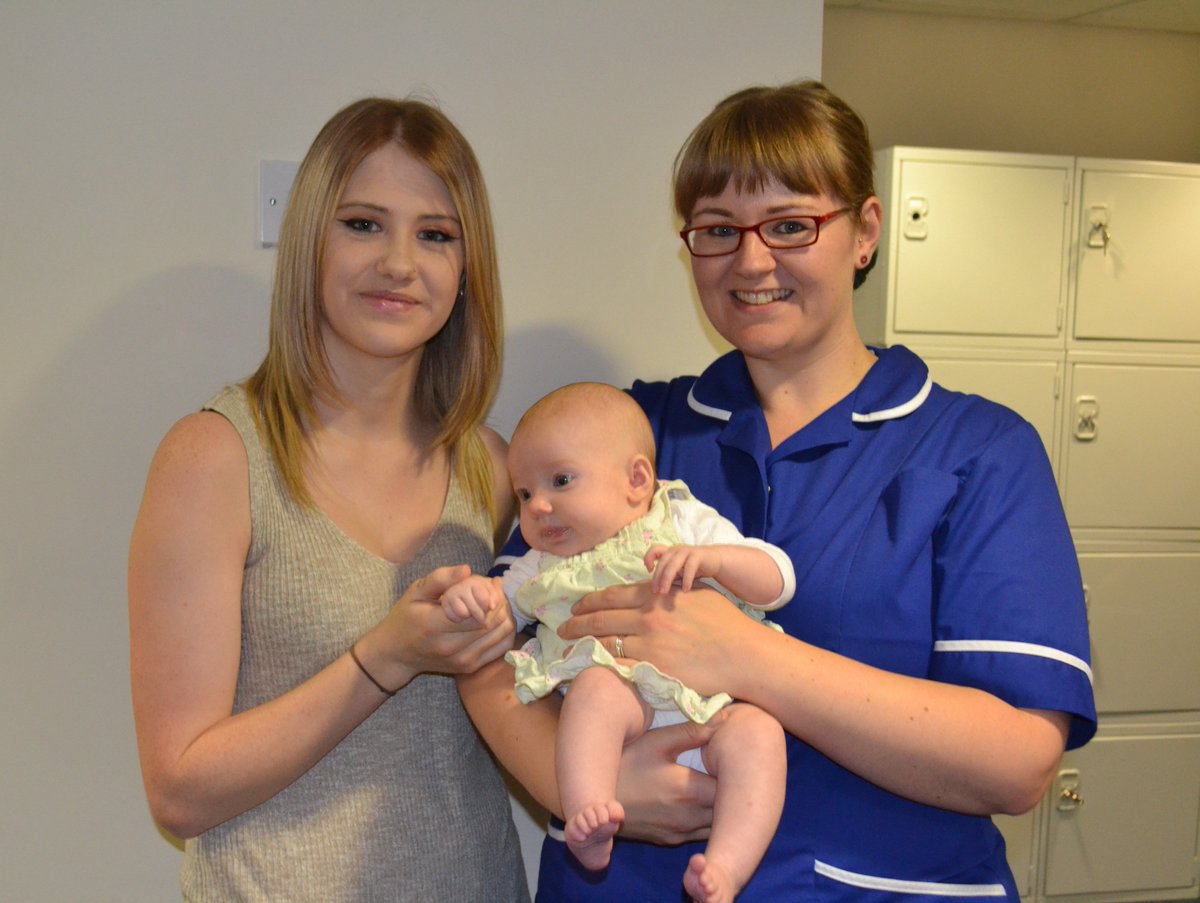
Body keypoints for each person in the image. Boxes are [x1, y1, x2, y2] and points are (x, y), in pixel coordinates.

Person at [460, 80, 1096, 901]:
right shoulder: (627, 433)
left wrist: (751, 657)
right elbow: (484, 653)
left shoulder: (977, 451)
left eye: (791, 224)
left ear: (865, 231)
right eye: (718, 230)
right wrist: (573, 780)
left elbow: (1018, 763)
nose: (752, 261)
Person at [128, 97, 529, 901]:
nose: (400, 263)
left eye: (436, 235)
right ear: (310, 239)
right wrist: (385, 656)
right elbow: (178, 790)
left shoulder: (492, 467)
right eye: (363, 224)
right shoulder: (215, 458)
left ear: (467, 270)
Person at [442, 382, 792, 902]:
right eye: (524, 494)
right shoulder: (541, 566)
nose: (538, 506)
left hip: (712, 708)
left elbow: (778, 580)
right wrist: (473, 595)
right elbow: (498, 609)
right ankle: (589, 810)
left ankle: (726, 868)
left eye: (560, 481)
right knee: (595, 691)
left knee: (761, 734)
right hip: (626, 723)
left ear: (636, 480)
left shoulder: (680, 518)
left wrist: (717, 562)